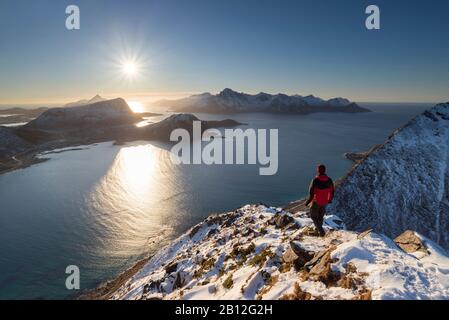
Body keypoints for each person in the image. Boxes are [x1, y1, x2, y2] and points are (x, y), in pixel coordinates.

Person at [304, 164, 334, 236]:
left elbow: (311, 194)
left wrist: (307, 202)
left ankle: (321, 231)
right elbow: (332, 191)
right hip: (324, 202)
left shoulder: (315, 180)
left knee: (313, 216)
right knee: (320, 217)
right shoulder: (329, 180)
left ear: (318, 170)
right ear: (325, 170)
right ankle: (318, 231)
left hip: (316, 202)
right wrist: (329, 200)